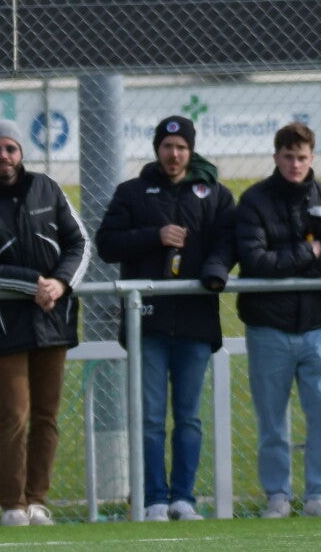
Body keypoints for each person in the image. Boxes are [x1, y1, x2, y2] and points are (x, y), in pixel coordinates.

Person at [97, 116, 237, 522]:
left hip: (196, 322)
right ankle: (154, 499)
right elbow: (107, 243)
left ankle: (183, 499)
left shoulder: (214, 194)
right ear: (157, 149)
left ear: (191, 150)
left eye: (181, 147)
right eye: (167, 146)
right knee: (151, 417)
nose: (174, 154)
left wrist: (214, 271)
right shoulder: (132, 192)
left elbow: (229, 242)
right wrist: (154, 236)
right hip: (149, 323)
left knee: (189, 417)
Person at [0, 118, 90, 527]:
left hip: (53, 320)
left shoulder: (48, 188)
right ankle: (12, 505)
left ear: (21, 152)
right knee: (14, 416)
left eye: (10, 148)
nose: (4, 156)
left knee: (47, 417)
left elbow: (80, 243)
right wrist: (34, 284)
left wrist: (60, 283)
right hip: (4, 324)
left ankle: (37, 500)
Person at [234, 121, 321, 519]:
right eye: (288, 157)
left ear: (312, 157)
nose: (295, 164)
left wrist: (290, 263)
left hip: (317, 328)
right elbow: (256, 262)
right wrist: (306, 254)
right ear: (276, 157)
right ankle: (278, 497)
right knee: (272, 422)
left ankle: (319, 495)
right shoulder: (254, 201)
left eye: (302, 157)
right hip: (268, 328)